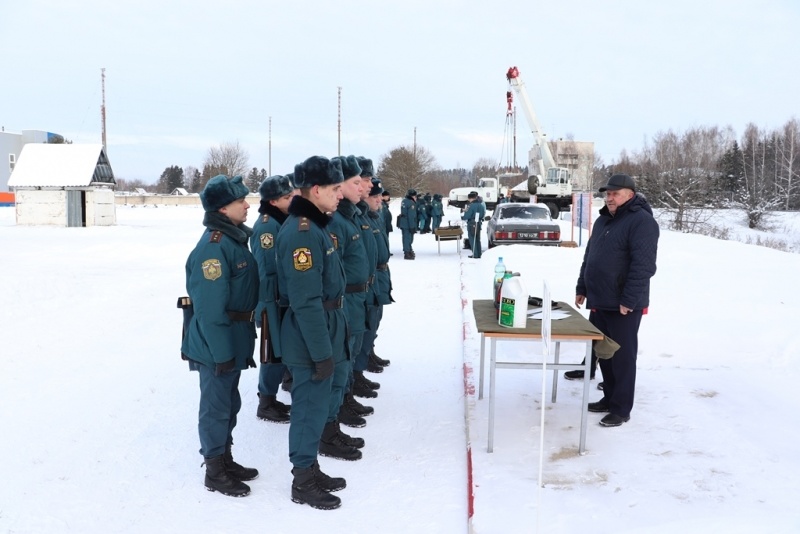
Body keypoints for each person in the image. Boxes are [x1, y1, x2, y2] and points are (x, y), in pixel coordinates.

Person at [276, 156, 348, 510]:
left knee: (317, 405)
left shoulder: (316, 226)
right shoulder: (301, 233)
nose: (340, 195)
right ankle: (302, 481)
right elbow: (305, 301)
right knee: (307, 408)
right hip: (309, 335)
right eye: (335, 189)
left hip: (324, 326)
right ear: (316, 190)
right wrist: (321, 352)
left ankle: (311, 466)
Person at [181, 174, 259, 498]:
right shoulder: (214, 248)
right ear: (223, 209)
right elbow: (211, 311)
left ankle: (224, 458)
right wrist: (223, 354)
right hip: (217, 344)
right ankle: (214, 470)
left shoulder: (232, 240)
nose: (247, 204)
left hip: (232, 338)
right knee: (215, 407)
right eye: (241, 200)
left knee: (229, 402)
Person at [574, 174, 659, 427]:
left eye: (615, 193)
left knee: (622, 358)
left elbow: (643, 266)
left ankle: (621, 408)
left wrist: (629, 300)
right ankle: (609, 399)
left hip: (623, 304)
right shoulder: (603, 221)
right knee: (604, 354)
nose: (610, 198)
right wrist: (582, 286)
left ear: (630, 195)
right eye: (607, 194)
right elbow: (590, 257)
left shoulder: (641, 222)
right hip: (600, 299)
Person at [251, 174, 298, 424]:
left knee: (281, 350)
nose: (292, 200)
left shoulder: (282, 220)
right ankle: (265, 402)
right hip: (272, 298)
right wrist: (276, 301)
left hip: (280, 297)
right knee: (272, 352)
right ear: (273, 201)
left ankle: (271, 395)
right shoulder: (268, 225)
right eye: (287, 197)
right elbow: (268, 269)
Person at [363, 177, 394, 373]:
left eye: (380, 196)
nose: (379, 200)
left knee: (376, 317)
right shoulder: (364, 219)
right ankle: (363, 357)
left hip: (381, 272)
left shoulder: (375, 216)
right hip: (371, 274)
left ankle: (369, 351)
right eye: (374, 196)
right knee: (368, 318)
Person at [461, 191, 486, 259]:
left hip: (472, 223)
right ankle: (479, 253)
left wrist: (463, 216)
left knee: (472, 238)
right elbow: (483, 213)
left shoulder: (471, 206)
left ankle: (475, 254)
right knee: (478, 239)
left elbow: (468, 215)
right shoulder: (481, 205)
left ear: (471, 198)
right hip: (478, 223)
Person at [398, 189, 418, 259]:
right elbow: (411, 216)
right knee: (408, 238)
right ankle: (407, 252)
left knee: (405, 238)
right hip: (408, 223)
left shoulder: (404, 201)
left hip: (403, 223)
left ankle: (408, 250)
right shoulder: (411, 203)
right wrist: (412, 226)